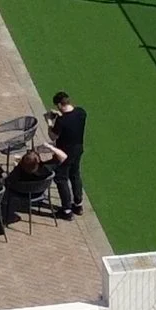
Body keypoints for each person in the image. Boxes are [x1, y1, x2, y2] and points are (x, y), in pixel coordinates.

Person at [47, 91, 87, 219]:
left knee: (61, 178)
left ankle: (66, 210)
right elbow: (71, 119)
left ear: (59, 104)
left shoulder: (61, 121)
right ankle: (78, 204)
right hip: (78, 148)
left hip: (64, 152)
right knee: (75, 174)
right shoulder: (81, 112)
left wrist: (49, 123)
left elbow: (53, 136)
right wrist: (59, 115)